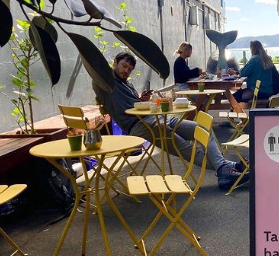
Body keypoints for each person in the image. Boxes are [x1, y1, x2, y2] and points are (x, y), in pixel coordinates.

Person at [93, 52, 248, 190]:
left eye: (129, 69)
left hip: (156, 117)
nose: (126, 70)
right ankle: (228, 168)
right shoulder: (105, 84)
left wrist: (142, 99)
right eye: (124, 66)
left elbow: (131, 103)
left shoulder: (127, 83)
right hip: (142, 125)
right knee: (186, 148)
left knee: (202, 128)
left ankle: (225, 168)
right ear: (115, 63)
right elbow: (96, 72)